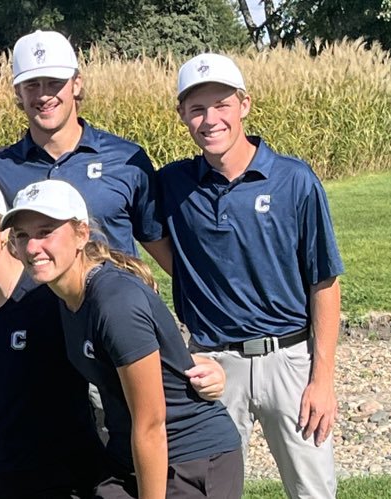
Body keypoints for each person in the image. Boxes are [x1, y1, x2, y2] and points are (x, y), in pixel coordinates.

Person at [0, 177, 231, 498]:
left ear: (3, 232)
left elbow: (145, 348)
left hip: (72, 475)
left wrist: (204, 367)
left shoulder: (55, 293)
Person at [151, 53, 345, 499]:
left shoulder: (294, 180)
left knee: (313, 492)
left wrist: (323, 380)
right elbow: (147, 232)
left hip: (291, 362)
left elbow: (325, 282)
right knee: (208, 491)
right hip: (212, 364)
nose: (210, 119)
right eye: (197, 108)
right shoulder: (174, 184)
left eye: (221, 104)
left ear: (245, 104)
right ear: (182, 114)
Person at [0, 30, 164, 259]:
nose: (44, 96)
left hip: (116, 294)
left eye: (54, 83)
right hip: (31, 296)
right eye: (32, 85)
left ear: (76, 84)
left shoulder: (127, 159)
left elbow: (159, 245)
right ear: (18, 92)